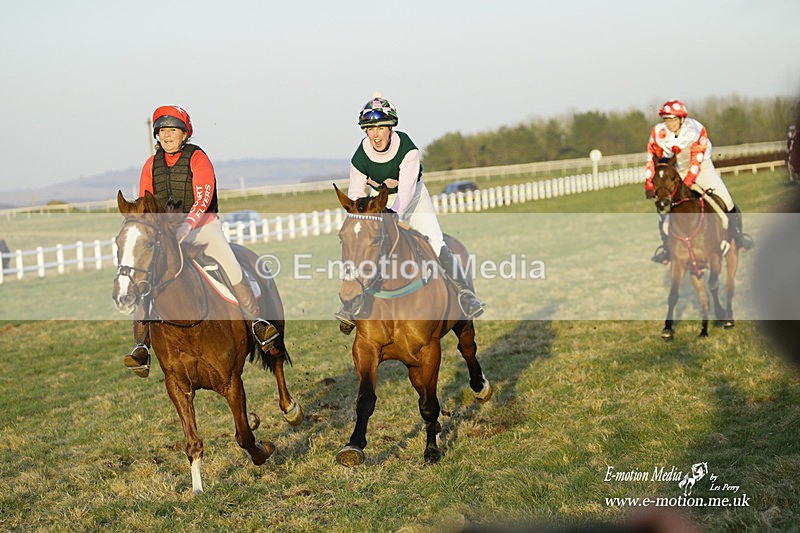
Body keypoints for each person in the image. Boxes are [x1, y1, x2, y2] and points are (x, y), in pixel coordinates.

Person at [122, 105, 278, 377]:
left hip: (203, 227)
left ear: (185, 134)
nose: (167, 136)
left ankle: (257, 322)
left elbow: (203, 198)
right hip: (167, 234)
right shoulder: (150, 165)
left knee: (230, 266)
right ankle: (141, 346)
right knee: (145, 277)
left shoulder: (198, 158)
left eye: (173, 130)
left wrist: (187, 226)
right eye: (162, 131)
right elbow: (147, 203)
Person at [334, 93, 484, 330]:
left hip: (413, 199)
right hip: (379, 205)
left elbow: (404, 193)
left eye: (380, 128)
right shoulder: (359, 158)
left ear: (390, 128)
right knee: (365, 248)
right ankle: (351, 304)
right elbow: (355, 196)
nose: (375, 135)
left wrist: (394, 217)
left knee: (436, 243)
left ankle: (465, 294)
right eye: (370, 129)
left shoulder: (408, 149)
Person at [644, 99, 754, 264]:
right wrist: (649, 183)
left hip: (701, 167)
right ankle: (667, 248)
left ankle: (738, 237)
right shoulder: (658, 132)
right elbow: (653, 160)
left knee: (727, 200)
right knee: (662, 208)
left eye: (673, 119)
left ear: (682, 119)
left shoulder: (695, 130)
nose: (669, 124)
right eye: (666, 119)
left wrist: (687, 182)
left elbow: (696, 160)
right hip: (675, 171)